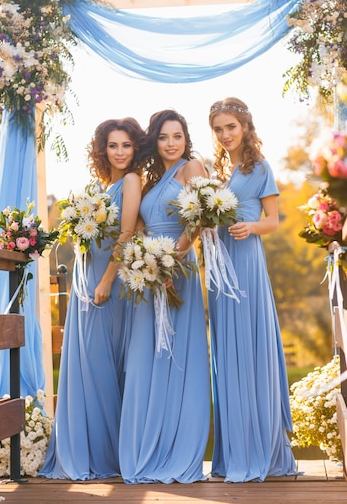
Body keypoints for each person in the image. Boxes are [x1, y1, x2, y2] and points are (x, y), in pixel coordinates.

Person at [40, 117, 146, 480]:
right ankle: (85, 449)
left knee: (102, 365)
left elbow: (129, 233)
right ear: (103, 149)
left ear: (135, 149)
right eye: (113, 145)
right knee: (85, 364)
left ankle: (105, 455)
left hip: (109, 285)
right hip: (87, 281)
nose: (119, 152)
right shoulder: (103, 185)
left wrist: (106, 279)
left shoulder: (131, 181)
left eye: (126, 145)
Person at [207, 96, 298, 483]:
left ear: (245, 125)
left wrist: (251, 227)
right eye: (219, 129)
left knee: (250, 344)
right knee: (226, 348)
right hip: (217, 261)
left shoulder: (259, 167)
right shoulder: (213, 169)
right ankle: (233, 453)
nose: (226, 134)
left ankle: (260, 447)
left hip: (245, 258)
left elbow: (274, 220)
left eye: (231, 126)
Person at [119, 109, 211, 484]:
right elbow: (139, 224)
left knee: (178, 359)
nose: (172, 143)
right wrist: (143, 261)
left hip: (178, 274)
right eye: (164, 137)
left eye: (177, 136)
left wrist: (172, 258)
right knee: (144, 359)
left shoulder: (193, 168)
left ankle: (179, 450)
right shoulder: (152, 179)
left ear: (186, 138)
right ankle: (145, 449)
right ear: (154, 141)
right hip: (148, 274)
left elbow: (201, 217)